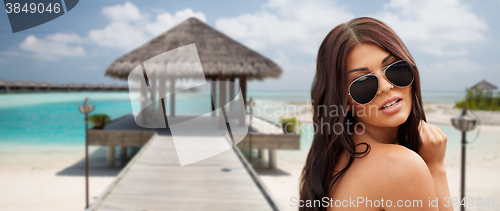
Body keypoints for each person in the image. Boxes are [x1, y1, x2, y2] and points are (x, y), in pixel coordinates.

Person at [299, 17, 452, 210]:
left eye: (395, 69)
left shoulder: (331, 160)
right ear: (342, 101)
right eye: (363, 83)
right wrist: (436, 167)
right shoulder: (400, 166)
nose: (386, 87)